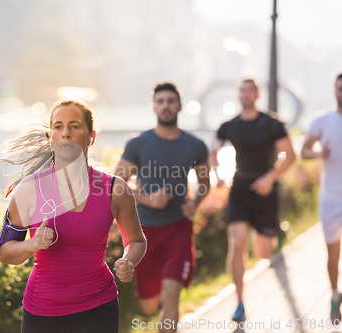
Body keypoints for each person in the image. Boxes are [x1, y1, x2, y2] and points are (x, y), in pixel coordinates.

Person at [0, 100, 147, 333]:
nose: (65, 133)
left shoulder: (115, 189)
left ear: (91, 136)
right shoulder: (28, 190)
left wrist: (128, 260)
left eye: (75, 126)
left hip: (98, 306)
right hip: (42, 310)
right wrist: (31, 245)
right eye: (58, 127)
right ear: (51, 136)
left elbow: (136, 240)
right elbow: (4, 252)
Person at [115, 82, 210, 333]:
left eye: (170, 101)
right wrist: (148, 199)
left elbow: (204, 183)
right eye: (161, 102)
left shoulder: (195, 145)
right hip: (144, 233)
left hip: (178, 228)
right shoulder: (138, 143)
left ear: (180, 106)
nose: (165, 106)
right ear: (154, 107)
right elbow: (116, 184)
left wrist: (195, 203)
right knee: (148, 305)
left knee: (171, 294)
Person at [209, 78, 296, 322]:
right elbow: (213, 150)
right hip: (240, 189)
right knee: (237, 244)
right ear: (238, 95)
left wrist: (270, 178)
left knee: (264, 252)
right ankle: (239, 303)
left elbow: (289, 155)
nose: (245, 94)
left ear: (257, 95)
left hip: (266, 191)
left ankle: (275, 234)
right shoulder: (229, 125)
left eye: (250, 91)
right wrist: (217, 174)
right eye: (242, 91)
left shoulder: (271, 124)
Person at [301, 73, 342, 323]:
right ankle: (334, 294)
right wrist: (319, 153)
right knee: (333, 253)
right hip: (331, 196)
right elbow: (303, 150)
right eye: (340, 88)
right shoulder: (322, 120)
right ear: (334, 90)